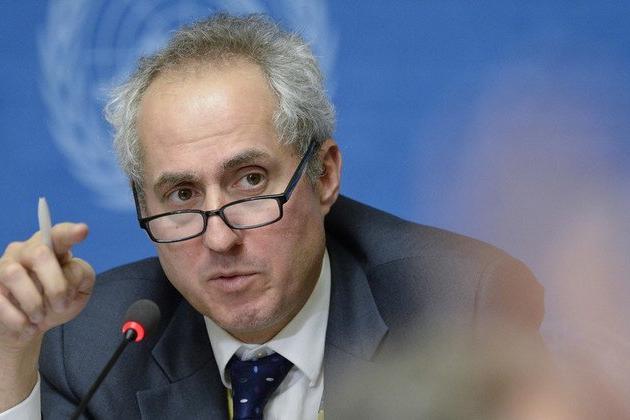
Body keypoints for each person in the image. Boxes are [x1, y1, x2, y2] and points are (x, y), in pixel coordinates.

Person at [0, 13, 545, 419]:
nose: (219, 239)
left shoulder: (460, 310)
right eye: (183, 194)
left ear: (323, 175)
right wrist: (10, 353)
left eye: (251, 181)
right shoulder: (93, 345)